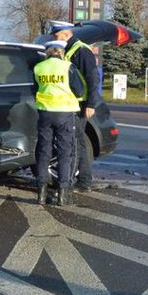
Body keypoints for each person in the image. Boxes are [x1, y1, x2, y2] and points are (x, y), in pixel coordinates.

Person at [48, 20, 103, 191]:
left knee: (76, 143)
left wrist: (91, 103)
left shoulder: (81, 50)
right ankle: (83, 180)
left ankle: (80, 181)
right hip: (70, 103)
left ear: (66, 33)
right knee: (77, 142)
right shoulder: (68, 50)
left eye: (56, 35)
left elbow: (93, 78)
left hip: (81, 104)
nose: (54, 37)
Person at [33, 40, 85, 207]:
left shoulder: (39, 68)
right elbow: (80, 90)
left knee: (43, 152)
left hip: (45, 114)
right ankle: (62, 195)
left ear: (48, 52)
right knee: (64, 153)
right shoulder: (67, 67)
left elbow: (35, 89)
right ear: (61, 52)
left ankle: (41, 194)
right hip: (64, 114)